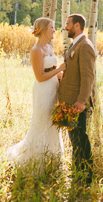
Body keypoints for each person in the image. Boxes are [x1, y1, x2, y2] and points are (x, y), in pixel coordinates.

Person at [5, 17, 66, 170]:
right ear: (44, 30)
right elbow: (39, 77)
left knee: (53, 122)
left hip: (54, 89)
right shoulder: (36, 51)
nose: (54, 30)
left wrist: (64, 77)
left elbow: (53, 70)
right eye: (52, 27)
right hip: (43, 90)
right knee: (42, 121)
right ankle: (36, 158)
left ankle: (52, 156)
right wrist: (59, 69)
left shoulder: (50, 48)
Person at [59, 13, 96, 184]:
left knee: (80, 137)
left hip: (77, 102)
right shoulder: (76, 44)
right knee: (74, 138)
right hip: (69, 100)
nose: (65, 27)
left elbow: (88, 76)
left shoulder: (85, 46)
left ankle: (86, 175)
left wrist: (82, 100)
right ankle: (78, 172)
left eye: (68, 24)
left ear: (77, 26)